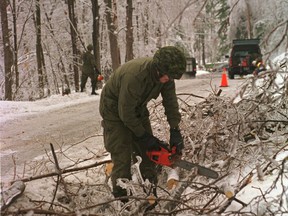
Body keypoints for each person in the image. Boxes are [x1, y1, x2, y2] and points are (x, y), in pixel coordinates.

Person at [99, 46, 186, 202]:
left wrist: (175, 129)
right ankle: (122, 199)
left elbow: (171, 103)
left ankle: (150, 194)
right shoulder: (135, 76)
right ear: (158, 70)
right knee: (122, 155)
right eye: (167, 77)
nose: (168, 80)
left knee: (148, 152)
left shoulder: (167, 77)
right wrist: (143, 136)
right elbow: (125, 113)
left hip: (137, 107)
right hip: (114, 110)